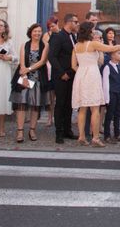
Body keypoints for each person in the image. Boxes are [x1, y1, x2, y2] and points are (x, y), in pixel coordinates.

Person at [72, 21, 120, 147]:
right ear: (89, 31)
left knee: (82, 108)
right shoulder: (93, 44)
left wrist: (82, 72)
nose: (94, 32)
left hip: (80, 75)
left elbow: (73, 65)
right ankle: (95, 138)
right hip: (92, 75)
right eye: (93, 30)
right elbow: (111, 48)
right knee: (95, 108)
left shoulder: (76, 46)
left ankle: (81, 136)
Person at [10, 23, 50, 143]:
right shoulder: (24, 45)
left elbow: (43, 61)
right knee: (21, 104)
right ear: (30, 33)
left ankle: (32, 129)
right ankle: (20, 131)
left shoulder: (45, 45)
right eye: (35, 31)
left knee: (35, 106)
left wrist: (29, 69)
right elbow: (22, 63)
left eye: (39, 31)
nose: (37, 33)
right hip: (25, 76)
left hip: (38, 78)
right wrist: (24, 75)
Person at [48, 13, 79, 144]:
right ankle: (59, 133)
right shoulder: (58, 37)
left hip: (72, 75)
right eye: (76, 22)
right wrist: (61, 73)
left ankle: (68, 130)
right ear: (69, 22)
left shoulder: (73, 36)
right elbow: (52, 57)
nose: (77, 24)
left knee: (69, 104)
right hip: (61, 76)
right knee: (60, 104)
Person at [103, 49, 120, 143]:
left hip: (119, 93)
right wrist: (106, 98)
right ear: (112, 55)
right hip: (111, 93)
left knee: (117, 114)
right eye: (118, 53)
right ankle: (107, 135)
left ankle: (117, 134)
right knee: (109, 114)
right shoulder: (107, 67)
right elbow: (105, 83)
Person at [42, 16, 59, 127]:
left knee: (58, 95)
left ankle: (57, 117)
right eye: (50, 26)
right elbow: (46, 50)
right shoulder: (46, 36)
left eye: (53, 25)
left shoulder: (61, 34)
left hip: (57, 66)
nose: (52, 27)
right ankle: (49, 117)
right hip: (48, 65)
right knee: (50, 95)